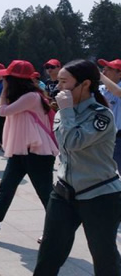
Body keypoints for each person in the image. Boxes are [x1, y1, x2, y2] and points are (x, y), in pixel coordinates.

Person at [34, 59, 121, 276]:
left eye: (64, 82)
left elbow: (73, 142)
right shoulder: (64, 112)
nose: (59, 87)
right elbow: (63, 145)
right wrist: (66, 111)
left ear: (85, 84)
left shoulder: (101, 115)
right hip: (64, 192)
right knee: (48, 255)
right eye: (58, 81)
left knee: (104, 258)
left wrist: (66, 111)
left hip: (99, 194)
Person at [0, 60, 58, 239]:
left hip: (38, 152)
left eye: (7, 78)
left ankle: (57, 231)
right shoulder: (23, 96)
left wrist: (3, 91)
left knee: (45, 193)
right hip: (22, 150)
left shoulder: (31, 97)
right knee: (6, 188)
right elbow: (3, 108)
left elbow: (3, 111)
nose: (4, 80)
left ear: (14, 80)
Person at [98, 58, 121, 171]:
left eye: (109, 69)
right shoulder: (100, 90)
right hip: (102, 137)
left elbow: (118, 92)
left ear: (119, 73)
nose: (104, 71)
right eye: (104, 69)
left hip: (118, 138)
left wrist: (101, 77)